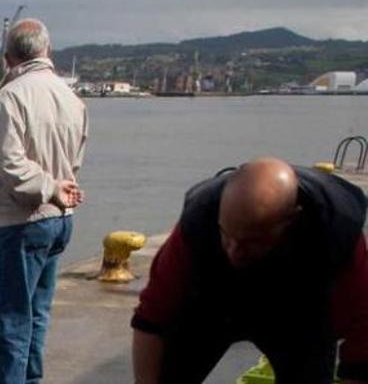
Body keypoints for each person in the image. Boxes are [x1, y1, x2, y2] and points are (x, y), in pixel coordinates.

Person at [131, 158, 368, 384]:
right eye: (226, 236)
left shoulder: (335, 231)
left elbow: (361, 338)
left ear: (292, 219)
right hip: (212, 304)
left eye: (250, 242)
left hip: (298, 312)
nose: (234, 250)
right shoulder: (199, 220)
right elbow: (151, 318)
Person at [0, 17, 88, 384]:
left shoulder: (11, 96)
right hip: (60, 221)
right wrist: (61, 189)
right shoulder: (72, 99)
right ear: (48, 52)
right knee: (37, 315)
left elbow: (9, 164)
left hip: (22, 222)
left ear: (8, 57)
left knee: (10, 321)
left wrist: (48, 188)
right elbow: (75, 161)